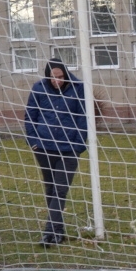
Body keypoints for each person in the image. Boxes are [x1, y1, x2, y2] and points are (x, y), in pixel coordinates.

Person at [25, 58, 88, 246]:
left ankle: (49, 232)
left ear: (66, 74)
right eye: (53, 77)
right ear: (47, 76)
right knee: (51, 188)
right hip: (43, 147)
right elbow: (30, 116)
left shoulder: (78, 88)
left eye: (60, 77)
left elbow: (84, 118)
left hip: (69, 148)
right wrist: (33, 142)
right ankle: (57, 231)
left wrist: (78, 145)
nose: (57, 81)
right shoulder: (38, 88)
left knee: (60, 189)